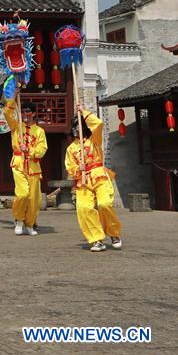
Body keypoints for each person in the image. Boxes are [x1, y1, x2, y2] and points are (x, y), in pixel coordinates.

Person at [65, 105, 123, 252]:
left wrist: (82, 111)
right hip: (82, 180)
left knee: (104, 204)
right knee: (84, 208)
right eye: (74, 127)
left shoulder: (94, 140)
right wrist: (78, 169)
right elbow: (70, 167)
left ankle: (113, 233)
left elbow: (98, 124)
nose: (75, 129)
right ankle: (96, 239)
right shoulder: (71, 148)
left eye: (78, 126)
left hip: (99, 175)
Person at [3, 100, 47, 236]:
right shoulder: (16, 126)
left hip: (33, 165)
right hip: (18, 163)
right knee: (23, 194)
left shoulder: (39, 131)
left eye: (28, 111)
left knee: (34, 199)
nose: (25, 114)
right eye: (23, 111)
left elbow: (42, 149)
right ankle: (19, 220)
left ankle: (29, 223)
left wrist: (29, 150)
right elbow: (6, 112)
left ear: (33, 114)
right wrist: (14, 96)